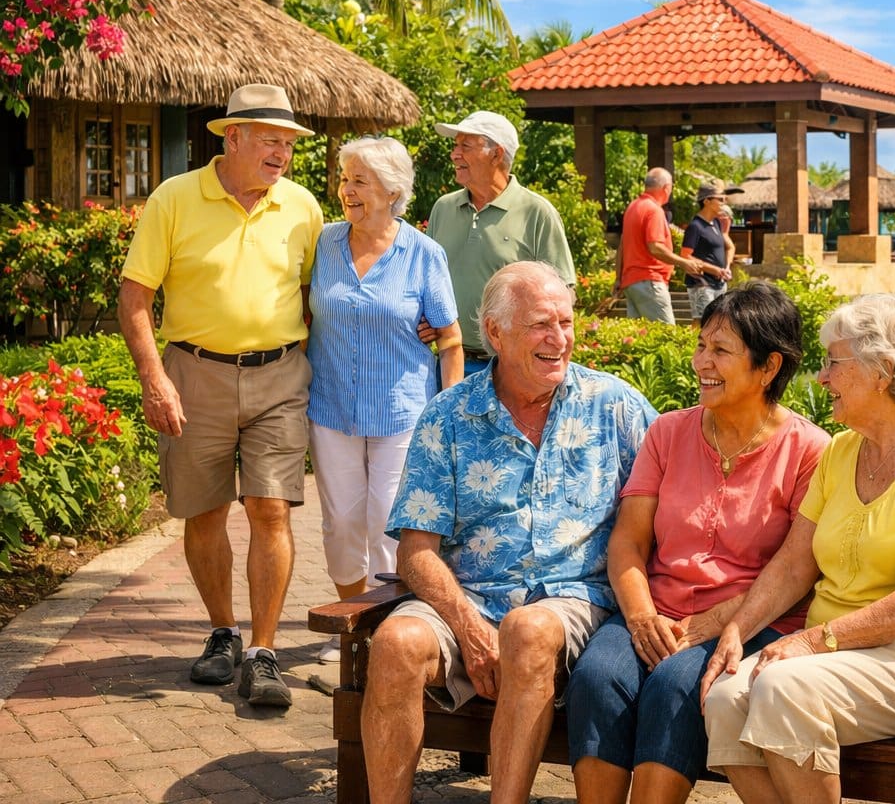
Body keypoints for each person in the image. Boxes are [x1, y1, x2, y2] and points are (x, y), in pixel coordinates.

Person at [360, 262, 656, 804]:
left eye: (566, 323)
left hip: (572, 601)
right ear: (494, 333)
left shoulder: (616, 406)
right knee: (395, 643)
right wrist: (468, 628)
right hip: (471, 596)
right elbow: (417, 552)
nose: (559, 339)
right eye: (542, 324)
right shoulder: (448, 415)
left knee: (528, 630)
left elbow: (670, 507)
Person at [699, 294, 895, 804]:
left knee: (782, 688)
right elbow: (795, 563)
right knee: (725, 695)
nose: (820, 378)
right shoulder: (841, 452)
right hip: (844, 652)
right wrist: (737, 630)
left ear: (882, 371)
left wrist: (813, 642)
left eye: (832, 364)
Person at [566, 282, 830, 804]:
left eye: (721, 350)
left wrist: (708, 626)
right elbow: (628, 540)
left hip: (751, 621)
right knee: (597, 676)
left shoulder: (809, 451)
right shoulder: (667, 432)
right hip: (656, 611)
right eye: (701, 345)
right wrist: (641, 617)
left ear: (769, 367)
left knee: (675, 685)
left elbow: (797, 569)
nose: (701, 362)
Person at [117, 83, 324, 708]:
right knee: (204, 513)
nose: (282, 154)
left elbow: (320, 298)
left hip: (280, 376)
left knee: (271, 509)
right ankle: (221, 633)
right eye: (270, 140)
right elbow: (135, 300)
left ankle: (264, 652)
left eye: (289, 144)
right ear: (230, 138)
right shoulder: (174, 199)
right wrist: (156, 379)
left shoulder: (303, 207)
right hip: (194, 373)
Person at [307, 136, 465, 663]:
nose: (346, 190)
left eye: (360, 181)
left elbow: (450, 338)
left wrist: (449, 413)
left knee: (387, 524)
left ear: (392, 191)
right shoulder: (325, 244)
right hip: (331, 408)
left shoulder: (422, 253)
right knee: (341, 523)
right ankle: (349, 626)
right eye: (345, 178)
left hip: (403, 412)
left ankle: (389, 630)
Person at [425, 111, 575, 374]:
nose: (454, 154)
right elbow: (423, 280)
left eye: (465, 146)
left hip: (510, 369)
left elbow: (563, 296)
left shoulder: (536, 212)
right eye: (455, 145)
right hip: (447, 362)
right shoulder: (443, 208)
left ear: (496, 154)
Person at [618, 168, 722, 323]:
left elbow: (622, 247)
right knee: (667, 336)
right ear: (666, 188)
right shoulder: (654, 210)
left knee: (639, 339)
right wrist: (684, 262)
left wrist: (618, 278)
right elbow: (655, 247)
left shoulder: (633, 207)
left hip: (632, 283)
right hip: (649, 281)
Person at [680, 180, 735, 322]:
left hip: (719, 283)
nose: (724, 203)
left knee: (718, 322)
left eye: (725, 199)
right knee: (702, 321)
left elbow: (728, 246)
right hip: (701, 283)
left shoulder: (716, 223)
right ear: (707, 201)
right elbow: (686, 256)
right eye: (720, 199)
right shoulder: (695, 227)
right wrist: (714, 270)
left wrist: (726, 267)